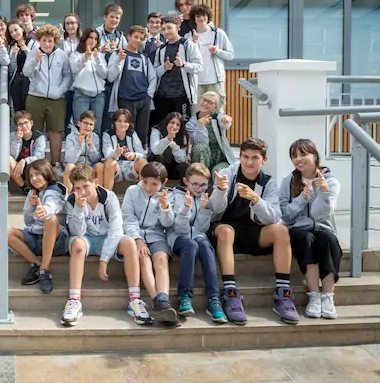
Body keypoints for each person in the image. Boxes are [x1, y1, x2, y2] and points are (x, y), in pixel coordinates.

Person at [208, 137, 299, 326]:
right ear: (239, 157)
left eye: (255, 158)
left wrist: (256, 200)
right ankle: (231, 293)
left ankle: (283, 294)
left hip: (253, 231)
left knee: (281, 231)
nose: (249, 162)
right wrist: (219, 189)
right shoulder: (227, 174)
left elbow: (273, 217)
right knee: (226, 231)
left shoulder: (268, 182)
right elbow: (215, 209)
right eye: (245, 157)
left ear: (263, 160)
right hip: (225, 229)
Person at [62, 164, 148, 327]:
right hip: (86, 238)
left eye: (86, 186)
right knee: (78, 245)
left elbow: (116, 230)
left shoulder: (109, 197)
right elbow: (76, 232)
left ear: (95, 182)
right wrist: (79, 210)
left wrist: (104, 259)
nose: (82, 192)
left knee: (129, 242)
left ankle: (135, 300)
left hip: (108, 239)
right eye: (78, 188)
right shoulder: (72, 200)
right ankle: (74, 301)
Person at [279, 139, 341, 320]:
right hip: (298, 230)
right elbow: (286, 215)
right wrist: (302, 198)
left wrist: (322, 192)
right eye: (293, 156)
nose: (298, 159)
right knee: (305, 237)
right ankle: (314, 295)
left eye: (303, 154)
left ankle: (328, 296)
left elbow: (321, 217)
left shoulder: (331, 182)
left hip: (322, 228)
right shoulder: (288, 181)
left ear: (314, 155)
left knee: (329, 239)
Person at [167, 163, 227, 323]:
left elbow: (201, 228)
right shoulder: (174, 195)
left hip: (198, 236)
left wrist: (206, 209)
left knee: (206, 246)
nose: (200, 188)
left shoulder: (203, 197)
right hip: (178, 237)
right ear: (186, 181)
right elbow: (179, 228)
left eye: (203, 185)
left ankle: (214, 300)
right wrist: (186, 208)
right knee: (191, 245)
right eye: (195, 184)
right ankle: (184, 296)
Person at [121, 161, 179, 325]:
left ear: (164, 182)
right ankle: (159, 304)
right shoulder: (132, 191)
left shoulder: (169, 195)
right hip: (136, 235)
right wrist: (138, 239)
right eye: (145, 182)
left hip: (157, 235)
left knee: (161, 260)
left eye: (154, 184)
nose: (148, 187)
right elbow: (128, 218)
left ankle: (163, 300)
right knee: (144, 259)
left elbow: (167, 224)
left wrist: (165, 207)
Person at [7, 160, 69, 294]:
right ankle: (36, 264)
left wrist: (45, 210)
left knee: (51, 219)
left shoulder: (57, 189)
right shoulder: (33, 192)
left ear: (46, 173)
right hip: (36, 237)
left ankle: (44, 269)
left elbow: (53, 205)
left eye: (37, 174)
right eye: (30, 176)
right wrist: (32, 206)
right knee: (5, 231)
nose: (34, 179)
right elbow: (28, 222)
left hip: (57, 241)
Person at [23, 24, 71, 170]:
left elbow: (68, 75)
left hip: (57, 100)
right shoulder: (33, 52)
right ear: (40, 40)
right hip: (35, 97)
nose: (47, 44)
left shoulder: (62, 55)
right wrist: (35, 60)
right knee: (35, 131)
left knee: (55, 132)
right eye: (44, 40)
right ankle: (36, 165)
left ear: (55, 41)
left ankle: (55, 164)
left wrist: (59, 91)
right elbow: (26, 72)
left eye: (50, 41)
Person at [107, 25, 157, 144]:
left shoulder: (144, 58)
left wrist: (149, 95)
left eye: (141, 38)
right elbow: (110, 77)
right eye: (135, 37)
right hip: (126, 98)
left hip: (143, 99)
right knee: (127, 130)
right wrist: (119, 60)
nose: (137, 40)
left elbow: (153, 77)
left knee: (142, 131)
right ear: (129, 37)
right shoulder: (118, 54)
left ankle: (141, 156)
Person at [152, 16, 203, 125]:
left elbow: (199, 66)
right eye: (163, 29)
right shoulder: (160, 49)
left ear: (178, 27)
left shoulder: (188, 44)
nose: (166, 31)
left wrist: (183, 64)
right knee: (162, 127)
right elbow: (154, 72)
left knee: (183, 128)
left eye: (169, 28)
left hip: (182, 95)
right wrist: (163, 68)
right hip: (162, 96)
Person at [191, 4, 234, 113]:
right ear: (194, 19)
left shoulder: (218, 33)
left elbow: (230, 55)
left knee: (217, 113)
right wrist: (194, 42)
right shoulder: (189, 36)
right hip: (196, 82)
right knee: (197, 114)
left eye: (204, 15)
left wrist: (217, 51)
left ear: (208, 17)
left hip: (215, 81)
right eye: (198, 16)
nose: (201, 18)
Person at [186, 91, 235, 176]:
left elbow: (224, 122)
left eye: (210, 102)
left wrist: (226, 119)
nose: (205, 103)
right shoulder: (191, 123)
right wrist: (201, 126)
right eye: (204, 100)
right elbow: (202, 142)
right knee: (200, 147)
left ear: (215, 107)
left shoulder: (216, 118)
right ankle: (201, 179)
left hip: (220, 158)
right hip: (202, 157)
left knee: (218, 172)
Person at [69, 28, 108, 134]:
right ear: (85, 39)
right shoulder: (75, 55)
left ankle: (94, 150)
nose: (93, 41)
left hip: (99, 95)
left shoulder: (99, 55)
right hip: (82, 95)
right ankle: (79, 150)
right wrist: (85, 57)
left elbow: (104, 74)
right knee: (81, 127)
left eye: (95, 39)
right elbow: (75, 69)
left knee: (96, 127)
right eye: (90, 37)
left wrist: (97, 58)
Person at [100, 109, 148, 192]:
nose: (123, 124)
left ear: (129, 123)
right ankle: (108, 196)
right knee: (110, 162)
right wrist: (116, 153)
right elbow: (107, 155)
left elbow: (143, 154)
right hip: (115, 168)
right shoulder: (107, 134)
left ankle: (142, 194)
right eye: (119, 121)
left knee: (143, 162)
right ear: (114, 122)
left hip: (130, 167)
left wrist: (134, 155)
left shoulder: (132, 134)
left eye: (126, 121)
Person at [63, 110, 101, 194]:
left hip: (89, 166)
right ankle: (66, 197)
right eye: (85, 123)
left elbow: (96, 159)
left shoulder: (95, 137)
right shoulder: (71, 137)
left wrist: (90, 145)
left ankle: (98, 195)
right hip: (76, 165)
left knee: (100, 166)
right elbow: (70, 160)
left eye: (91, 124)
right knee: (69, 166)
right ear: (79, 123)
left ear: (93, 127)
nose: (88, 126)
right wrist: (79, 145)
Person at [9, 110, 46, 190]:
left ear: (31, 123)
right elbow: (12, 156)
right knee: (8, 160)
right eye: (20, 124)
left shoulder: (39, 137)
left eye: (26, 122)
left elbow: (40, 156)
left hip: (32, 166)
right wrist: (18, 140)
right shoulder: (12, 136)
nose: (24, 126)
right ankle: (25, 188)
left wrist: (24, 161)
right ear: (16, 127)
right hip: (16, 168)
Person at [149, 112, 190, 182]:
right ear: (167, 123)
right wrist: (168, 139)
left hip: (172, 166)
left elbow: (182, 159)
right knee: (158, 157)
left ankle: (182, 188)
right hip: (159, 165)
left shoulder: (182, 135)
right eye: (172, 122)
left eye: (178, 125)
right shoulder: (156, 130)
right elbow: (155, 151)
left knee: (183, 166)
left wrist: (173, 145)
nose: (174, 126)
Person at [59, 12, 81, 134]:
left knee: (78, 116)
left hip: (80, 82)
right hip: (65, 83)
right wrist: (61, 38)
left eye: (73, 23)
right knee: (66, 114)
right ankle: (67, 140)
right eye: (67, 23)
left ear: (78, 25)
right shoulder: (63, 40)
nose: (70, 26)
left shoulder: (83, 40)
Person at [8, 19, 32, 112]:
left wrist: (25, 49)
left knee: (29, 109)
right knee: (18, 110)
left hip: (29, 80)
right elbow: (11, 68)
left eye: (16, 30)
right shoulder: (11, 46)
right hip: (16, 80)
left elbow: (35, 61)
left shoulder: (32, 43)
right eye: (11, 32)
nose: (14, 33)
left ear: (22, 29)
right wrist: (13, 55)